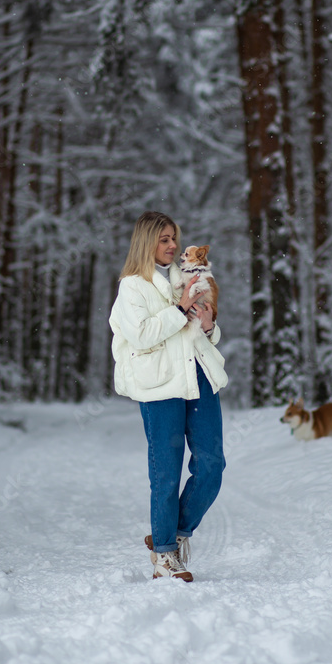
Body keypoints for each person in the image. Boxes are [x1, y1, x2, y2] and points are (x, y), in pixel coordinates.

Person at [109, 211, 228, 581]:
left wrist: (209, 327)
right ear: (147, 242)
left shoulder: (186, 276)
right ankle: (163, 556)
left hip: (198, 377)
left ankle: (173, 532)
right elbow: (143, 335)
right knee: (166, 472)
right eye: (164, 239)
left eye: (174, 238)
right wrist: (179, 309)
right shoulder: (132, 286)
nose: (173, 245)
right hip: (160, 385)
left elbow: (201, 329)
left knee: (212, 465)